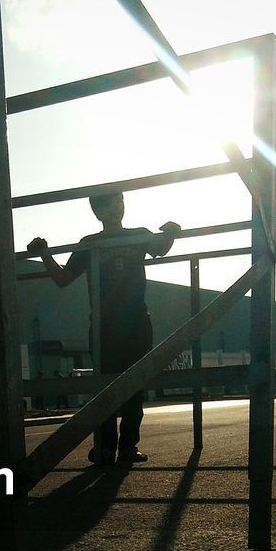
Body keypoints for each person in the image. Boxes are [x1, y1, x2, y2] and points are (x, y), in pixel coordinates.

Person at [28, 193, 180, 465]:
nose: (116, 208)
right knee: (104, 388)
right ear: (97, 212)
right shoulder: (90, 243)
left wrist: (170, 233)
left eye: (119, 202)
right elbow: (63, 278)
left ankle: (128, 447)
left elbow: (160, 248)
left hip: (135, 322)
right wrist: (44, 254)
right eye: (108, 204)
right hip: (104, 326)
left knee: (135, 386)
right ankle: (105, 447)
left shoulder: (139, 234)